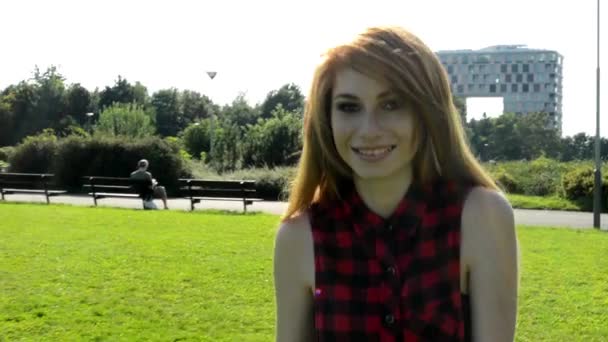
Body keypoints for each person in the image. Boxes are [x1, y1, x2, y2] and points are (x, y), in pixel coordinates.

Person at [273, 26, 518, 341]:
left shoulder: (482, 217)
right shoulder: (299, 237)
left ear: (426, 112)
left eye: (391, 104)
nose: (369, 129)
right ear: (326, 118)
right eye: (349, 107)